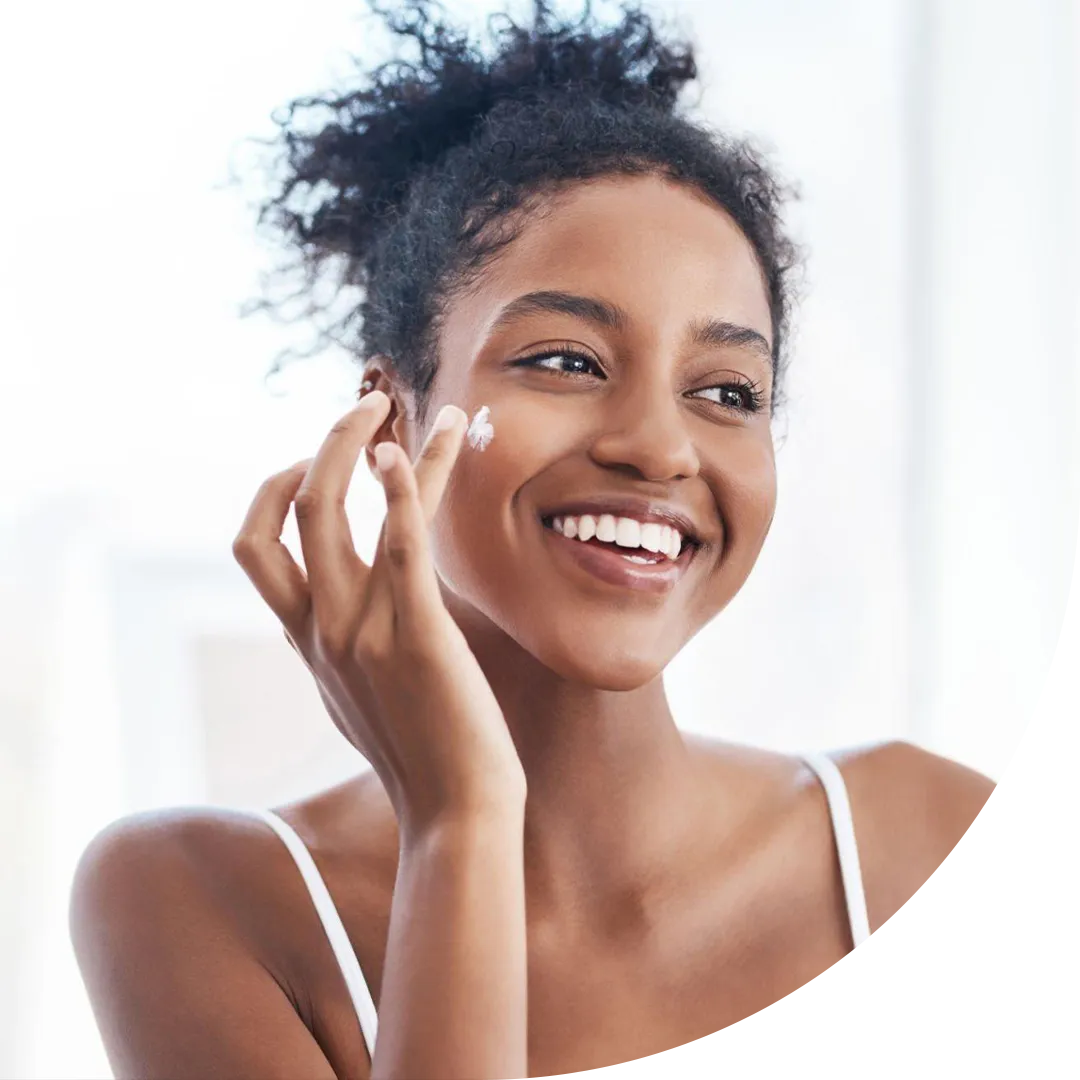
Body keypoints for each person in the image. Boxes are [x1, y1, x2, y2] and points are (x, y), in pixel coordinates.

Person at [69, 2, 1080, 1076]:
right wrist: (460, 824)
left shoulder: (942, 845)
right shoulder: (199, 897)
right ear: (390, 416)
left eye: (727, 391)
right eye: (566, 362)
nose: (660, 446)